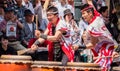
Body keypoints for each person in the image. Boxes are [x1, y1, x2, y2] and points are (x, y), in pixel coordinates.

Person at [81, 4, 119, 71]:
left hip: (108, 50)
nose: (82, 16)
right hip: (112, 47)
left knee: (98, 68)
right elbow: (91, 6)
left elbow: (92, 45)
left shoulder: (92, 27)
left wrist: (79, 47)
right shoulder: (98, 16)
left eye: (84, 13)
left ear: (90, 13)